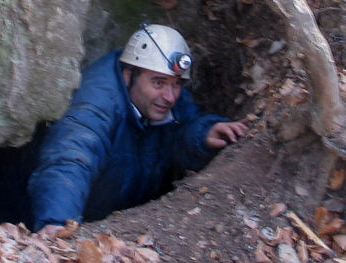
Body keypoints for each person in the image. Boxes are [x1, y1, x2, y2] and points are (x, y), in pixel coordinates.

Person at [28, 24, 247, 233]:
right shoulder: (96, 105)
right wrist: (57, 222)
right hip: (33, 215)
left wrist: (204, 135)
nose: (170, 97)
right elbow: (70, 160)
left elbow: (181, 133)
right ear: (128, 75)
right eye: (158, 83)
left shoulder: (165, 100)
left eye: (177, 84)